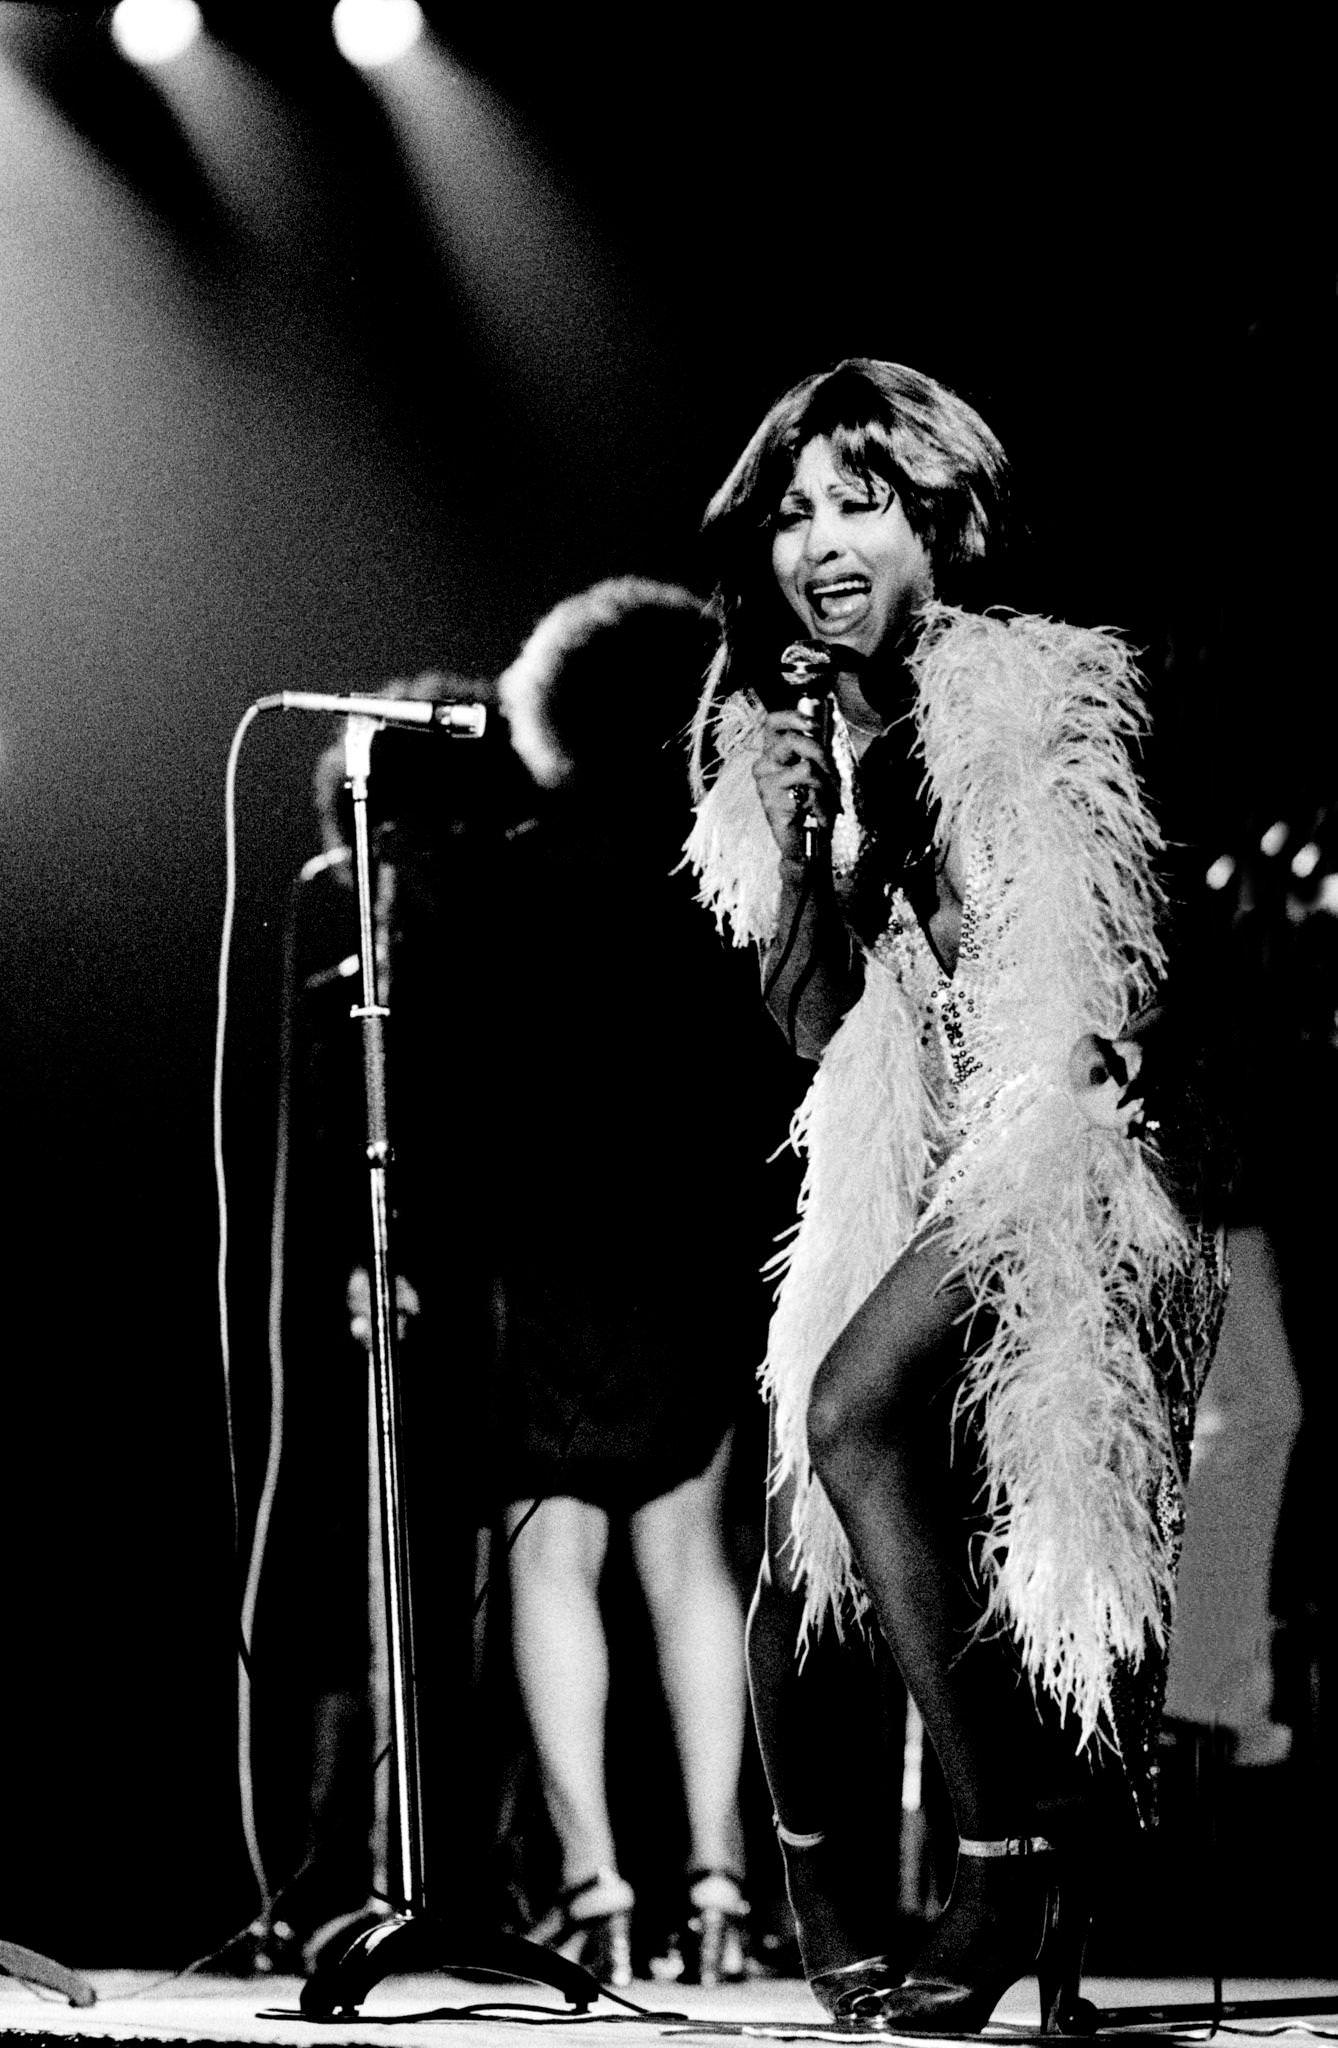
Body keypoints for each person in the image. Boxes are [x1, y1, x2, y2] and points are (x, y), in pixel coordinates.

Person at [684, 359, 1229, 2031]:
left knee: (857, 1418)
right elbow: (811, 1020)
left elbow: (1092, 951)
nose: (821, 545)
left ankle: (999, 1866)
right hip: (912, 1153)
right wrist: (785, 847)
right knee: (801, 1529)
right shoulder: (791, 730)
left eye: (861, 506)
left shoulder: (1020, 684)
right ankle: (835, 1912)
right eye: (793, 513)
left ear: (940, 516)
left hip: (1064, 1135)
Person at [487, 578, 792, 1985]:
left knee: (552, 1549)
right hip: (692, 1241)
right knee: (691, 1561)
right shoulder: (718, 883)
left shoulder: (510, 875)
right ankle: (722, 1887)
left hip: (548, 1243)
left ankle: (598, 1883)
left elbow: (457, 1098)